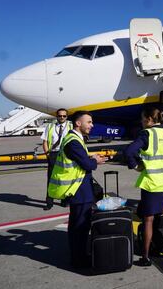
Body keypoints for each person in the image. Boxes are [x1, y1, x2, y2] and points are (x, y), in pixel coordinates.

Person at [125, 107, 163, 266]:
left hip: (152, 182)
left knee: (148, 219)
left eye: (142, 118)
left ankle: (145, 257)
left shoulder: (147, 134)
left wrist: (137, 166)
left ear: (148, 119)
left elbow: (129, 151)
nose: (141, 121)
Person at [48, 111, 107, 268]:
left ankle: (78, 255)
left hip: (80, 188)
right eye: (89, 122)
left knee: (78, 224)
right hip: (79, 190)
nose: (92, 125)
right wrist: (95, 161)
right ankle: (79, 259)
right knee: (80, 226)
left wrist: (91, 158)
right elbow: (87, 165)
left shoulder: (75, 139)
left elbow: (80, 160)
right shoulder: (73, 142)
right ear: (78, 123)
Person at [41, 108, 72, 210]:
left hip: (66, 154)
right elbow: (45, 142)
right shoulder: (50, 126)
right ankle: (49, 203)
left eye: (64, 116)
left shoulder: (71, 126)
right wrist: (48, 154)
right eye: (60, 116)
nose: (62, 117)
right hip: (53, 154)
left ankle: (64, 200)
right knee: (51, 179)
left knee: (65, 178)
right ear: (56, 116)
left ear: (66, 117)